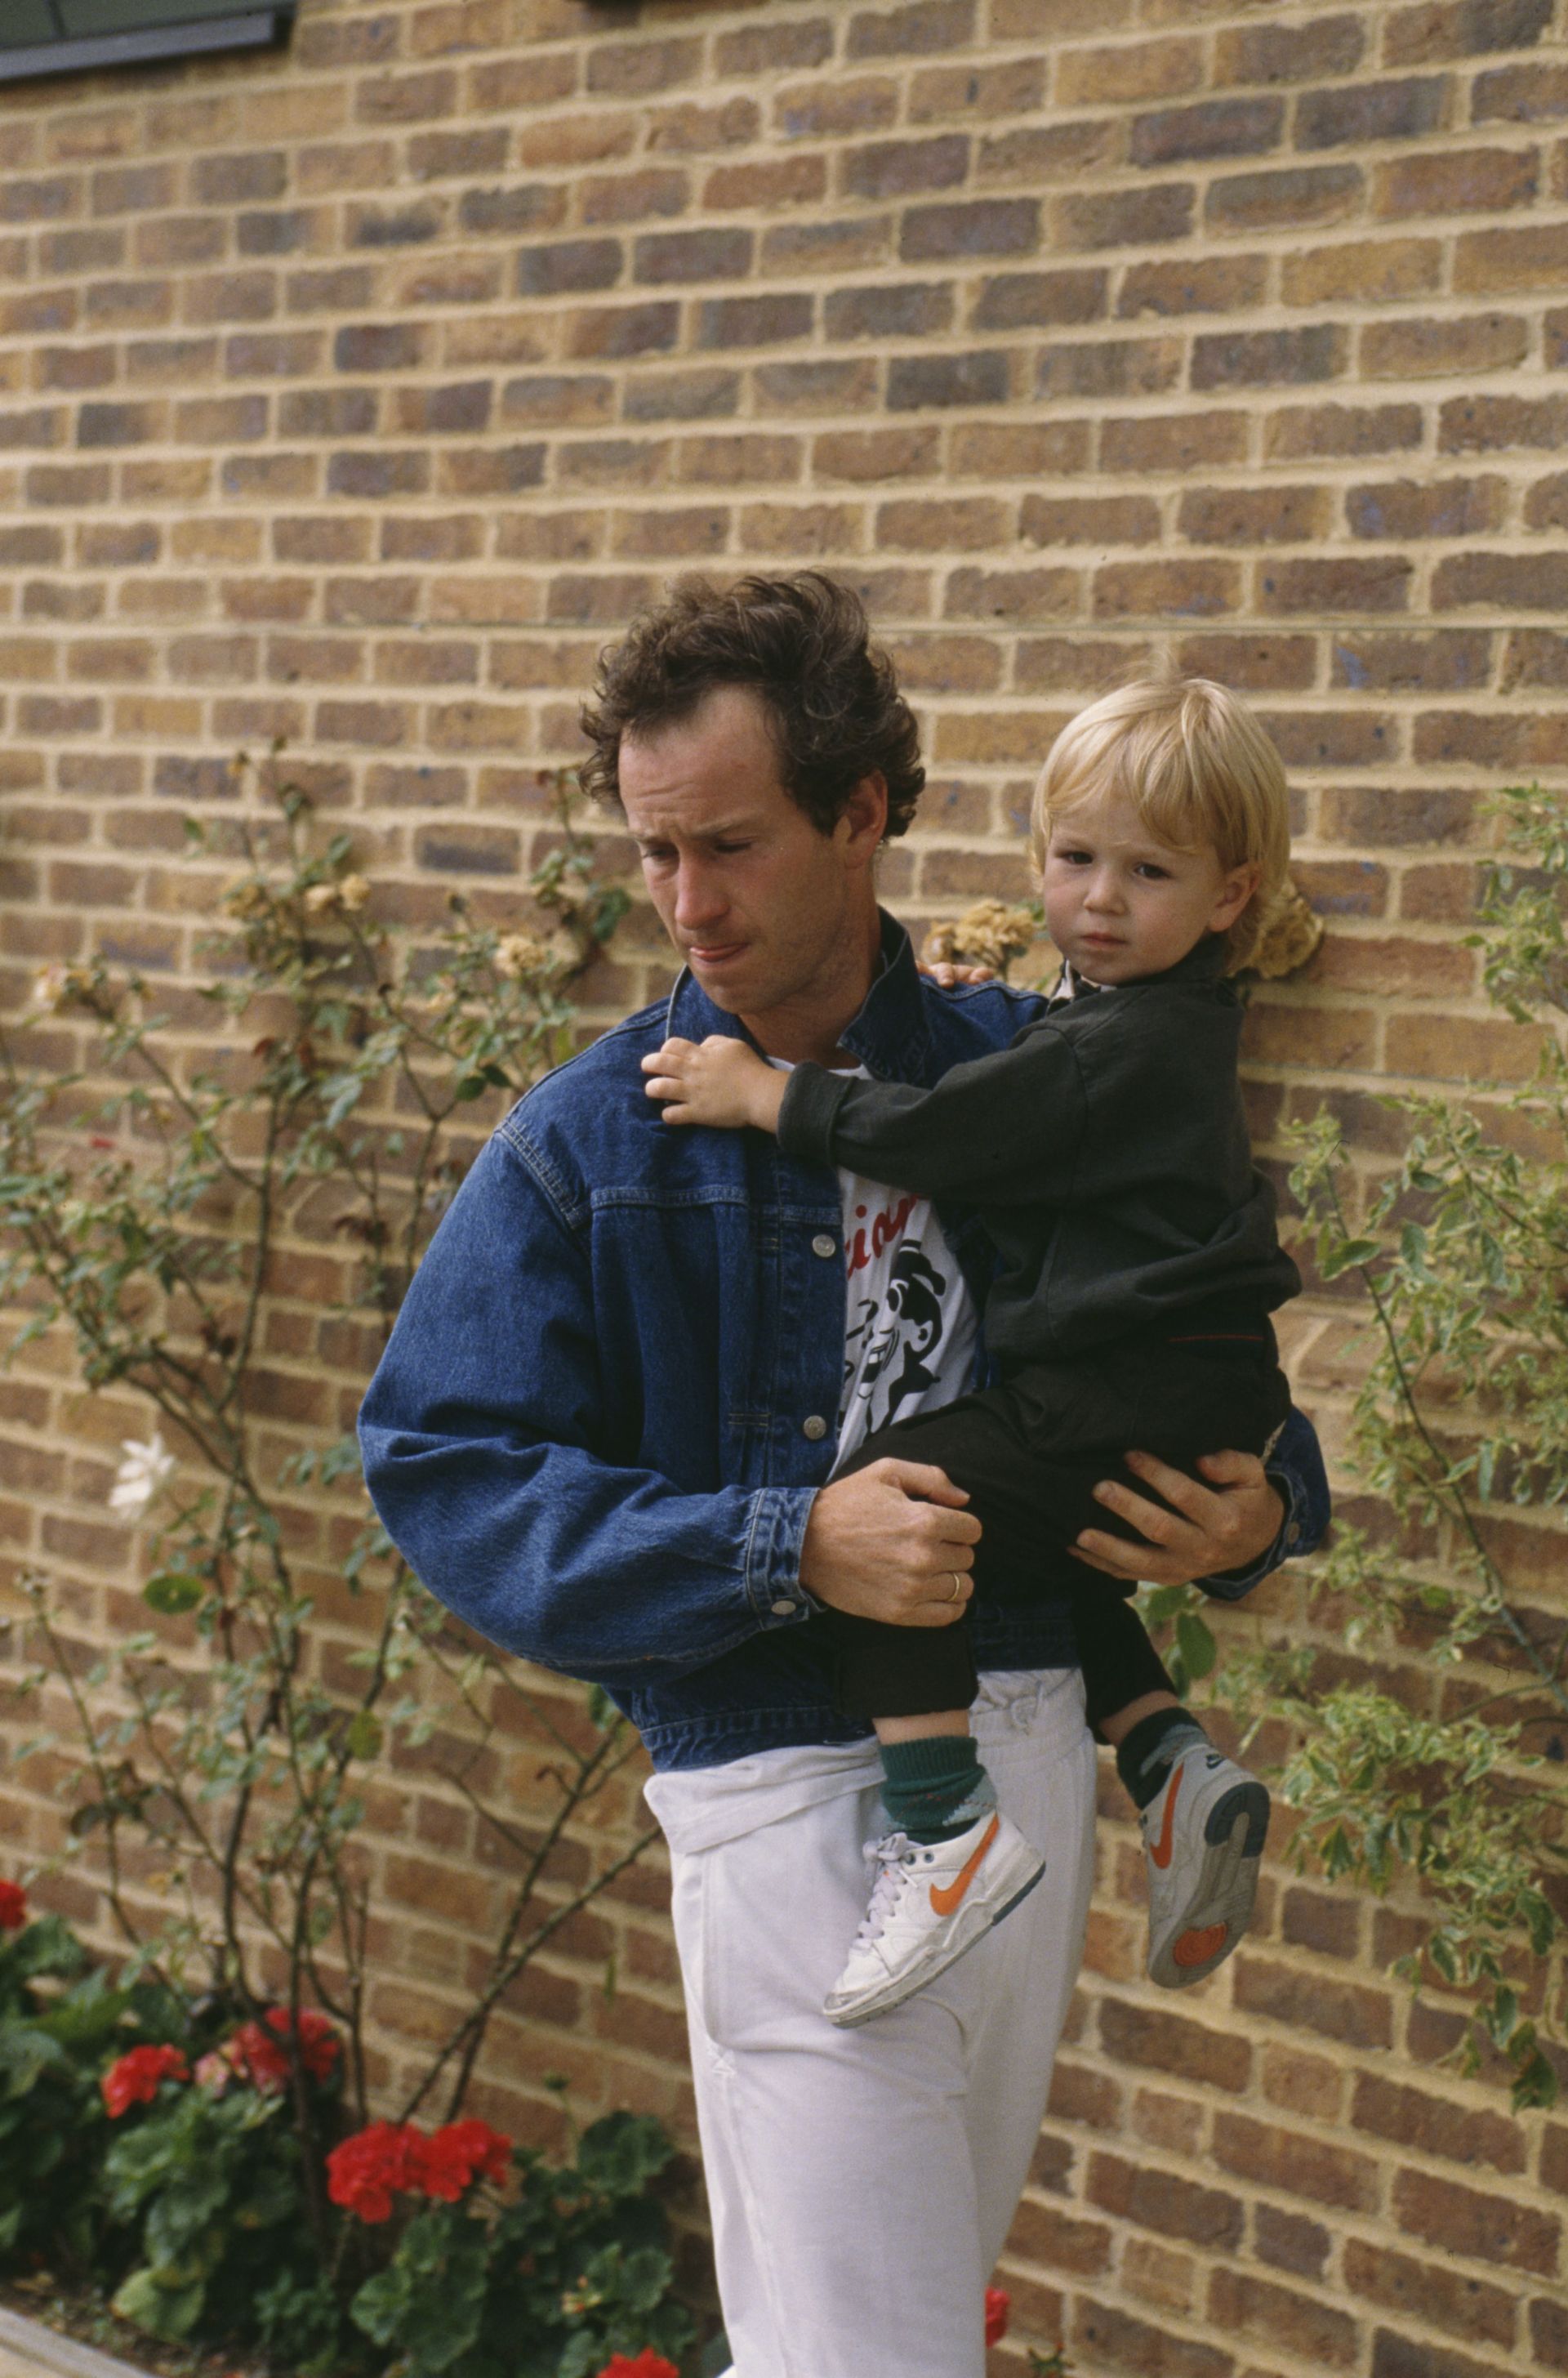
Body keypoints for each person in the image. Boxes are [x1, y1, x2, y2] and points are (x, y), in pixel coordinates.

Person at [359, 574, 1330, 2378]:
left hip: (1035, 1761)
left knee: (870, 2331)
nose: (685, 904)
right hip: (785, 1785)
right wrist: (783, 1538)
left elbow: (1188, 1316)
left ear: (865, 813)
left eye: (728, 844)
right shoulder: (592, 1138)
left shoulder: (1026, 1059)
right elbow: (444, 1462)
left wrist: (1269, 1500)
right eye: (654, 854)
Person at [642, 677, 1299, 2028]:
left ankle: (942, 1830)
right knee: (1029, 1541)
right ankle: (1170, 1756)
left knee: (894, 1508)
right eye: (1075, 860)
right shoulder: (1118, 1028)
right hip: (1182, 1376)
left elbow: (951, 1138)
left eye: (1149, 871)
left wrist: (767, 1095)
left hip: (1136, 1376)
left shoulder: (1121, 1044)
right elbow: (1026, 1088)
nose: (1100, 898)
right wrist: (982, 1017)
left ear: (1231, 897)